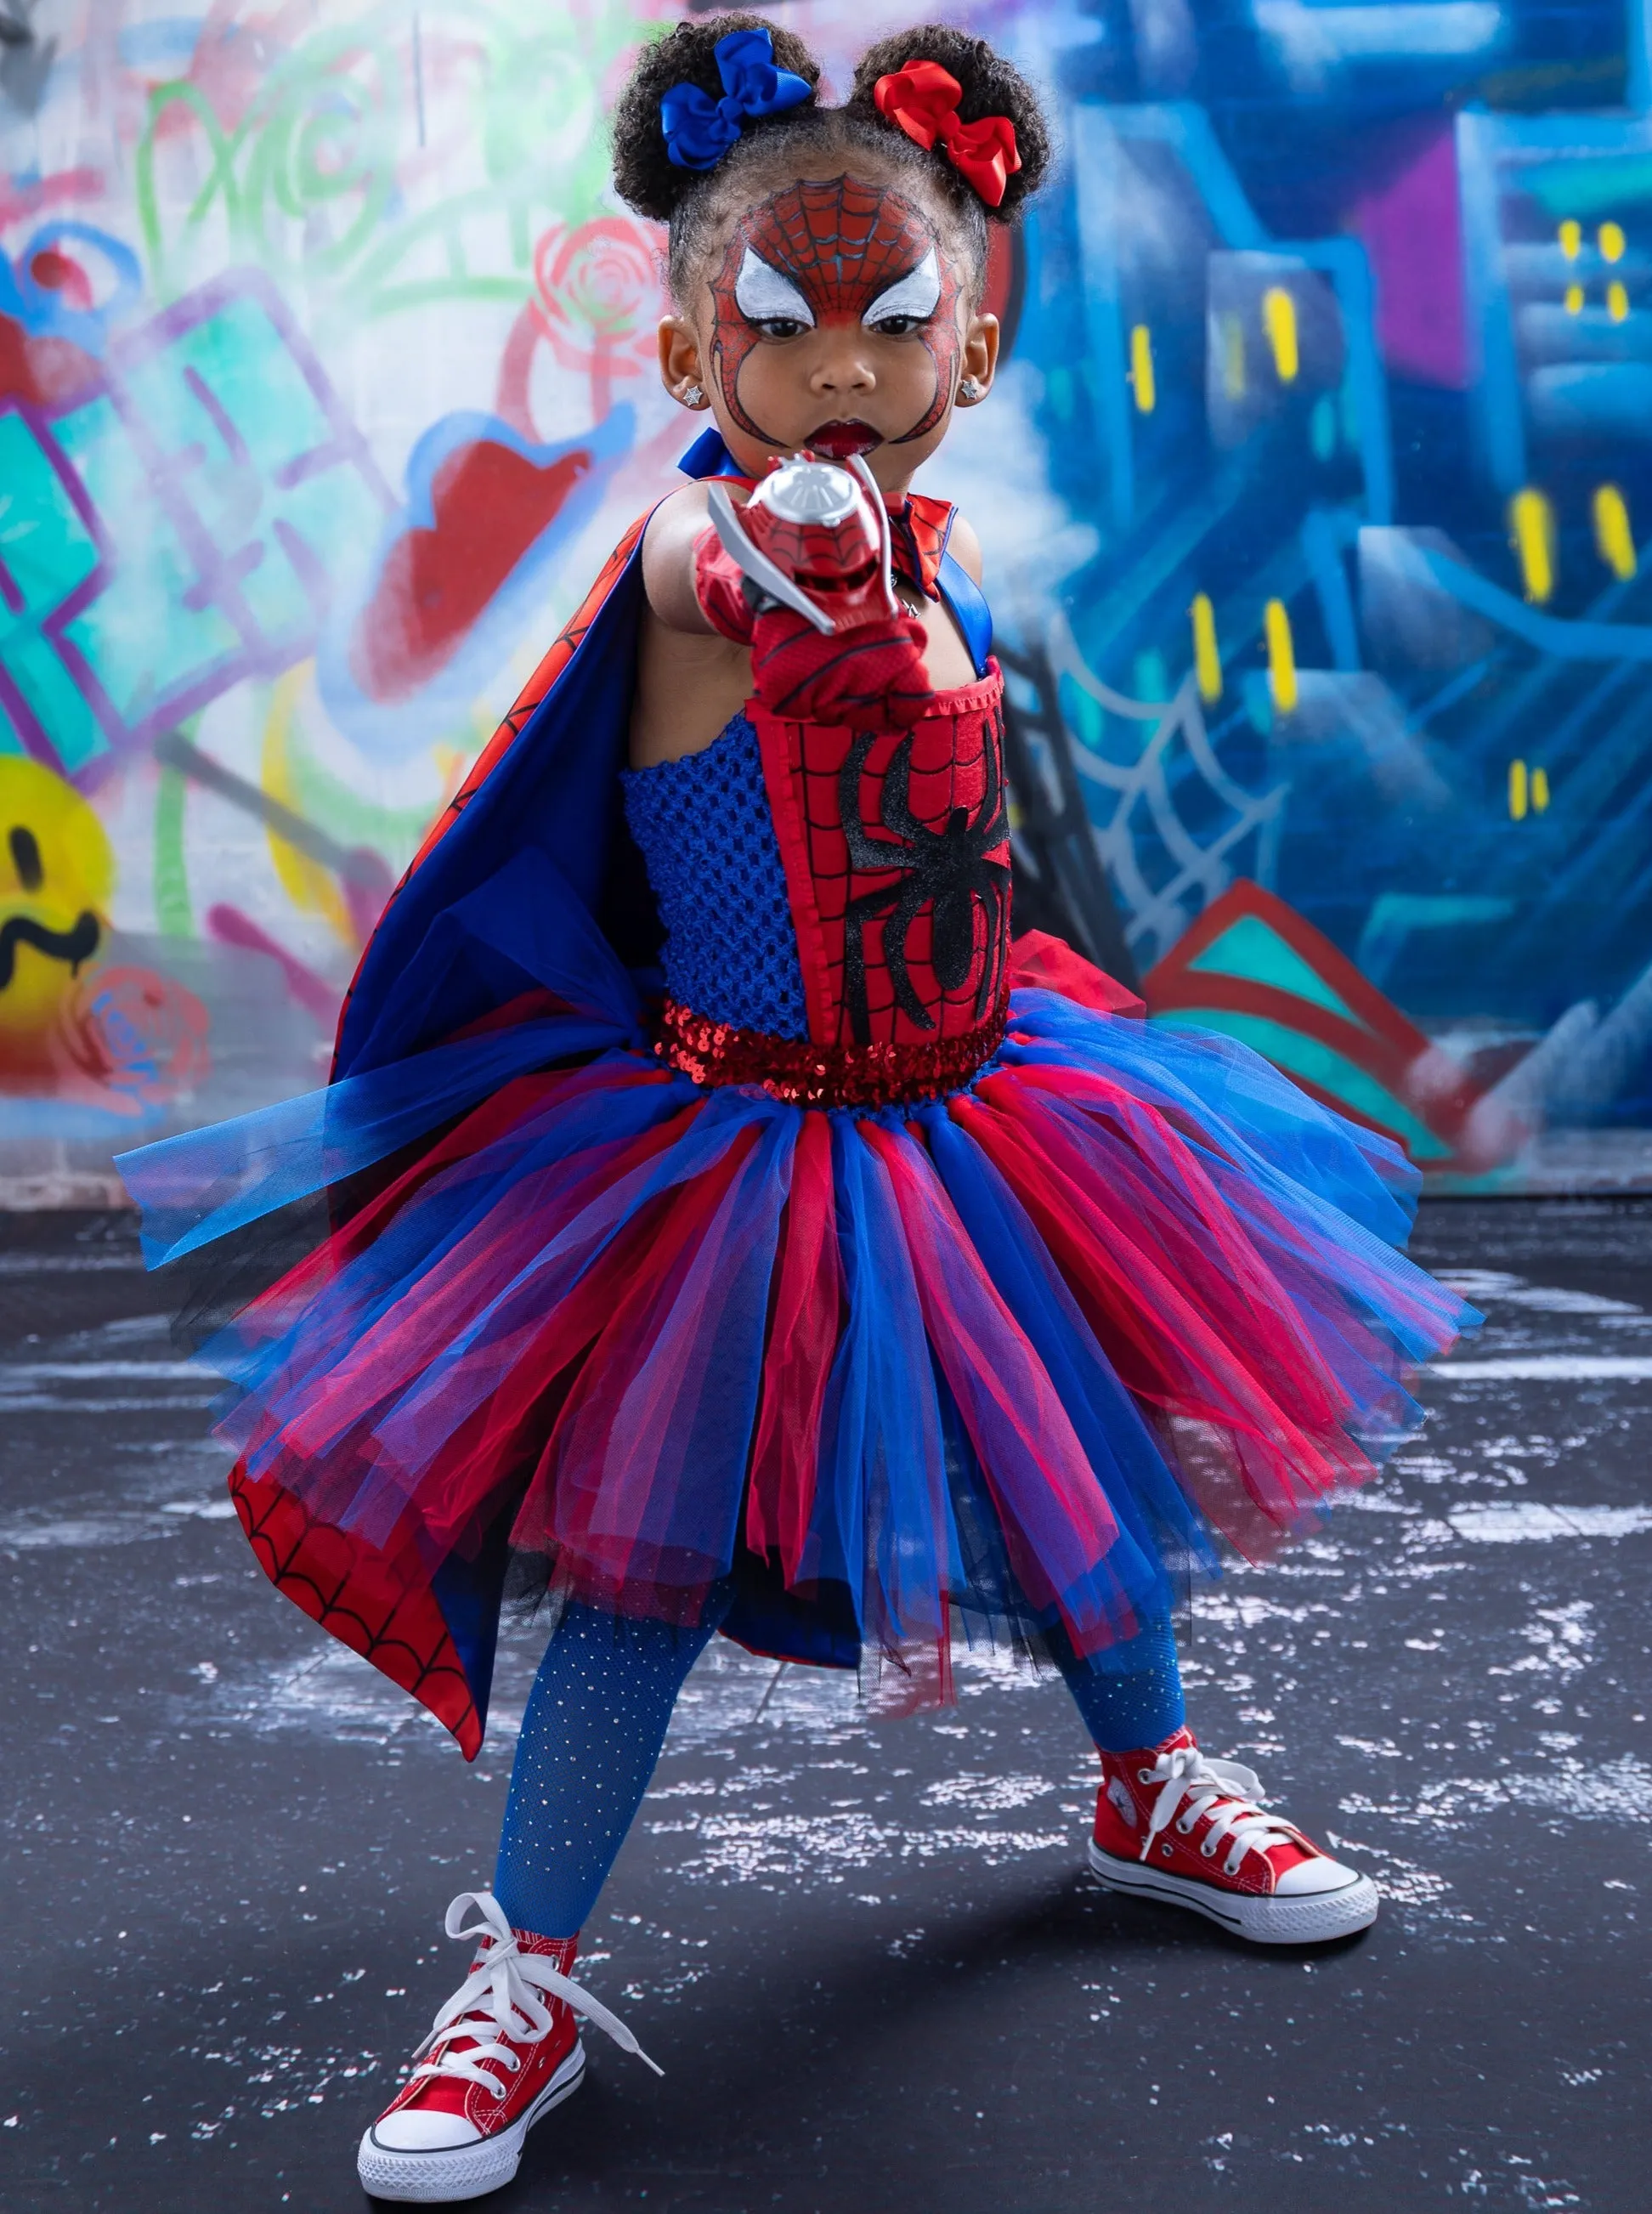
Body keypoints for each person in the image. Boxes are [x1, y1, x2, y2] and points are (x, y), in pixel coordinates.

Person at [118, 16, 1474, 2204]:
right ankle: (529, 1971)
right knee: (646, 1571)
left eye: (893, 316)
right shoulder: (709, 561)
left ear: (983, 338)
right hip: (734, 1163)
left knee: (1077, 1470)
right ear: (686, 353)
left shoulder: (941, 561)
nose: (840, 366)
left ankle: (1150, 1787)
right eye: (779, 322)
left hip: (984, 1114)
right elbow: (732, 574)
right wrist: (774, 548)